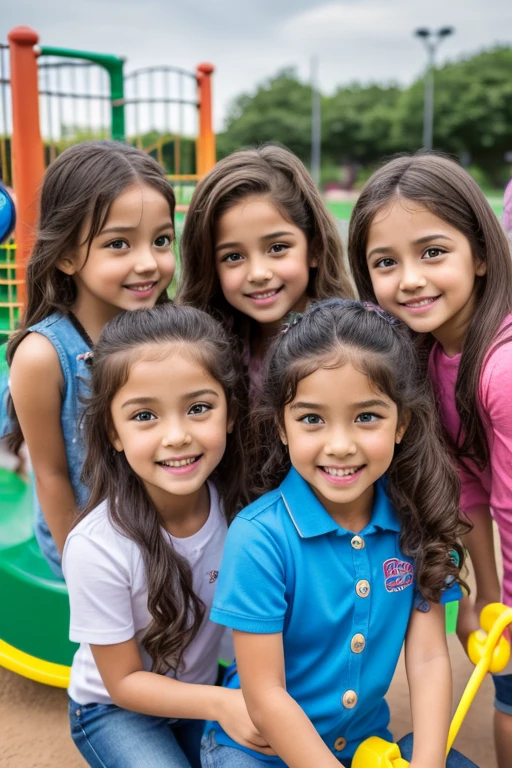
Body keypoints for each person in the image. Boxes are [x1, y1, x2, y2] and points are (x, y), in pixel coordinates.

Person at [201, 299, 475, 768]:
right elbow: (265, 695)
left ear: (401, 423)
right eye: (312, 419)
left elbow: (429, 658)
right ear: (282, 428)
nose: (341, 445)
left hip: (368, 747)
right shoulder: (258, 537)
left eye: (367, 416)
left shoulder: (417, 519)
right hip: (259, 752)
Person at [348, 151, 512, 768]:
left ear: (483, 254)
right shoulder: (428, 356)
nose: (410, 279)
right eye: (386, 263)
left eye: (432, 252)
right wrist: (484, 602)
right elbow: (469, 486)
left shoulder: (501, 366)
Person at [64, 304, 268, 768]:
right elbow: (123, 683)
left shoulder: (244, 513)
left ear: (230, 414)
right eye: (144, 416)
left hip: (204, 691)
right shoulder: (97, 546)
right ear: (112, 432)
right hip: (114, 710)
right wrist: (222, 704)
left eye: (198, 408)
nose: (176, 436)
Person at [5, 140, 176, 577]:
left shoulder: (176, 333)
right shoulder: (45, 356)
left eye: (161, 240)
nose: (148, 263)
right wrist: (84, 578)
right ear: (65, 254)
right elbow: (54, 478)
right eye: (119, 244)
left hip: (173, 540)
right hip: (99, 554)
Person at [178, 143, 354, 401]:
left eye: (277, 248)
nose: (258, 273)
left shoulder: (350, 349)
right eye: (233, 256)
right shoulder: (207, 351)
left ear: (314, 249)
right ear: (209, 267)